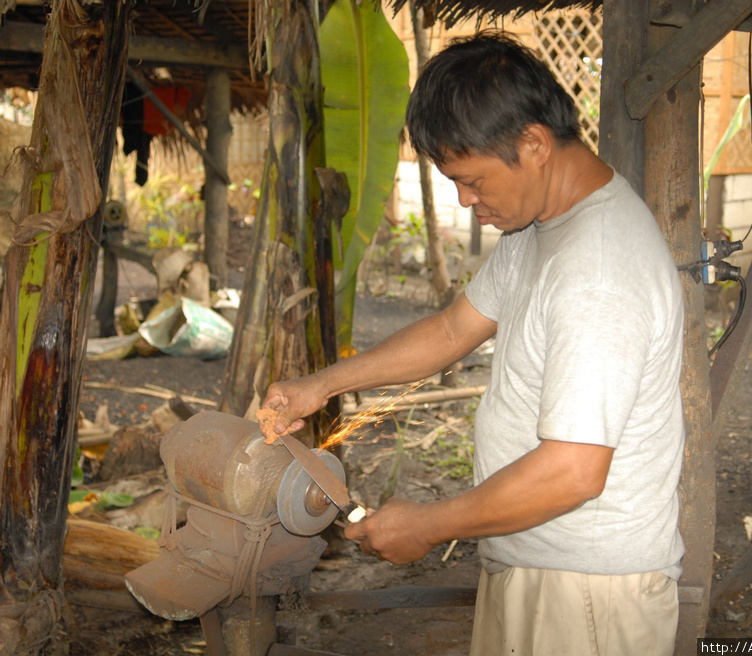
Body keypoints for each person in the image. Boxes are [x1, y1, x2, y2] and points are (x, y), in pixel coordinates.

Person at [261, 31, 685, 656]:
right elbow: (455, 329)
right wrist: (321, 384)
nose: (465, 200)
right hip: (537, 559)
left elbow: (572, 472)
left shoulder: (598, 271)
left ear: (535, 144)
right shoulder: (540, 224)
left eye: (472, 180)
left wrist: (428, 525)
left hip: (588, 592)